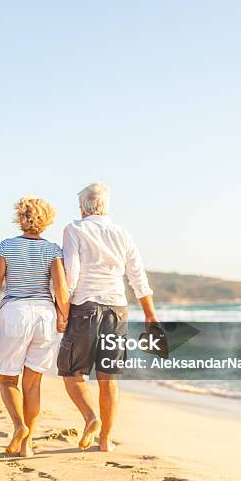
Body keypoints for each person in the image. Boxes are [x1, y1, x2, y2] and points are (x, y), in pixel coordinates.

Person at [0, 197, 69, 457]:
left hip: (15, 314)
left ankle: (19, 427)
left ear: (20, 217)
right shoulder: (53, 250)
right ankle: (26, 446)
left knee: (8, 379)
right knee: (33, 384)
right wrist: (63, 316)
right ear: (48, 219)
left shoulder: (7, 247)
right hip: (44, 315)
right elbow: (61, 290)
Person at [57, 183, 158, 452]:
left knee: (72, 373)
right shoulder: (122, 233)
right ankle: (105, 441)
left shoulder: (74, 229)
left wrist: (62, 312)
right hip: (117, 308)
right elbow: (137, 275)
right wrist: (150, 314)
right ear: (105, 206)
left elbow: (71, 275)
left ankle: (91, 418)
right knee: (108, 377)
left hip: (85, 307)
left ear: (82, 207)